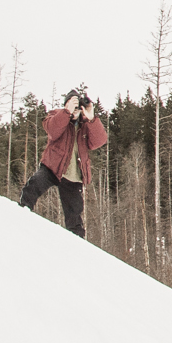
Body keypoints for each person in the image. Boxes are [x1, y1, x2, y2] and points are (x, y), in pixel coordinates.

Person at [19, 87, 108, 238]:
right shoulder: (55, 115)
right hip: (52, 167)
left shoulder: (86, 125)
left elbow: (99, 141)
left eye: (77, 108)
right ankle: (20, 215)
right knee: (33, 186)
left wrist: (92, 118)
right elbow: (53, 130)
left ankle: (78, 244)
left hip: (73, 176)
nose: (75, 112)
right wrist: (66, 112)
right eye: (72, 107)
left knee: (74, 215)